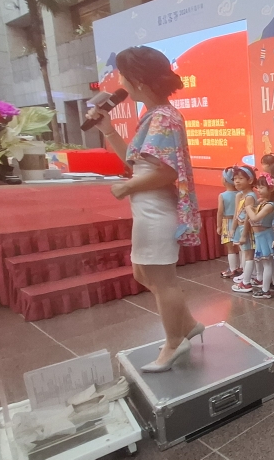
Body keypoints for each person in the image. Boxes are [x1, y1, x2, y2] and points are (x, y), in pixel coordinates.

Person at [85, 46, 202, 373]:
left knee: (162, 280)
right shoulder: (155, 115)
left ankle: (175, 342)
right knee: (144, 272)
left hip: (155, 209)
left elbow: (165, 173)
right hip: (148, 207)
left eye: (123, 76)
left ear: (137, 80)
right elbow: (136, 163)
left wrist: (127, 187)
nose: (119, 83)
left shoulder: (163, 117)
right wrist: (108, 129)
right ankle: (188, 324)